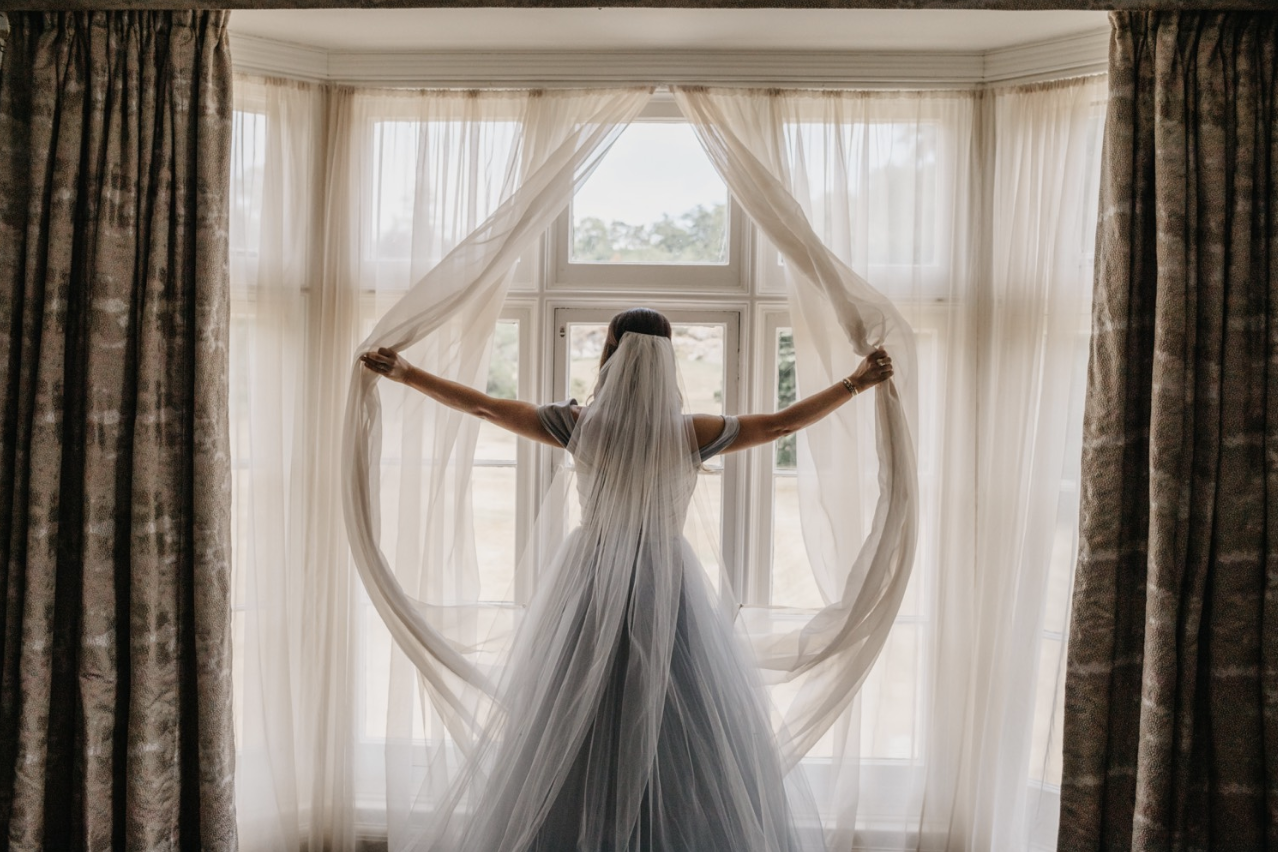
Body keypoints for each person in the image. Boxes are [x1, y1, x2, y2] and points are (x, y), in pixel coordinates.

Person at [360, 307, 893, 852]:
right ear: (668, 361)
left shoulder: (579, 426)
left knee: (577, 708)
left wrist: (406, 373)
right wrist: (856, 383)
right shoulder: (691, 433)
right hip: (667, 581)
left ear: (611, 356)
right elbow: (781, 425)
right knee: (678, 715)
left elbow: (484, 406)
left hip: (590, 577)